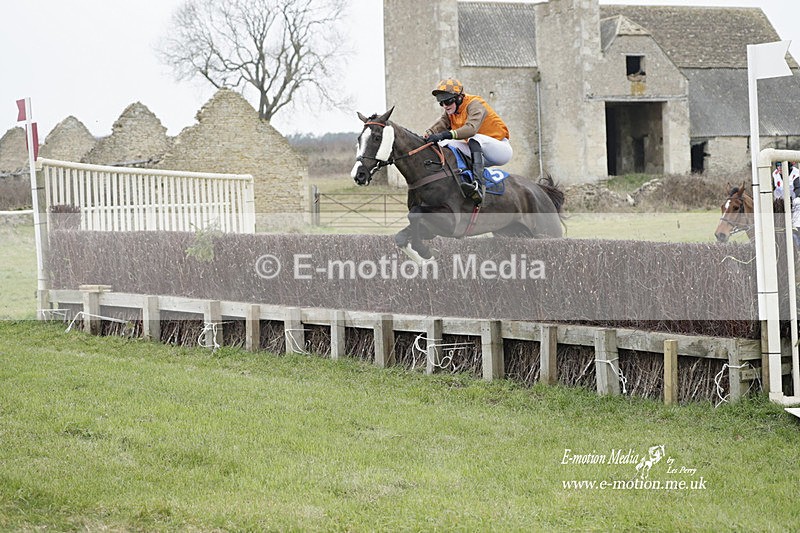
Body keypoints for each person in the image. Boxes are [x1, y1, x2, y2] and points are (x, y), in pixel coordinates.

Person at [423, 78, 512, 205]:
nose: (445, 106)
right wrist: (427, 135)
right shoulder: (450, 112)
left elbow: (471, 129)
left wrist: (445, 134)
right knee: (443, 144)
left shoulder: (475, 103)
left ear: (459, 97)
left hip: (500, 149)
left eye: (447, 101)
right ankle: (458, 180)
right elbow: (440, 125)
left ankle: (478, 185)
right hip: (478, 152)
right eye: (441, 103)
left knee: (472, 138)